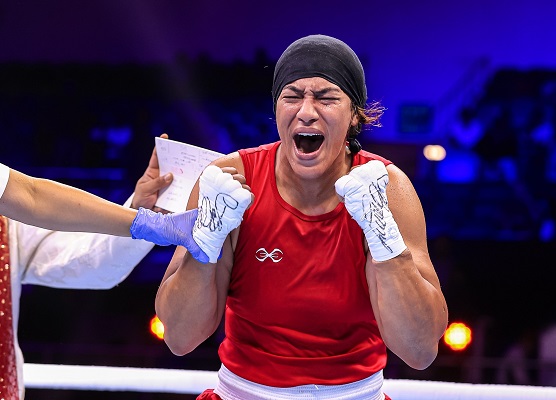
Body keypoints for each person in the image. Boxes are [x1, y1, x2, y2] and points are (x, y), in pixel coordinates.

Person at [156, 35, 448, 399]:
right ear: (277, 109)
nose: (306, 110)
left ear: (355, 114)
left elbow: (420, 350)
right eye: (292, 96)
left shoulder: (388, 188)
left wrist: (383, 236)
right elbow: (180, 338)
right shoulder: (231, 180)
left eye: (326, 97)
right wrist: (207, 239)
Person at [0, 134, 206, 399]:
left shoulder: (7, 224)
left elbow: (85, 260)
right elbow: (31, 196)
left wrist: (143, 214)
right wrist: (144, 222)